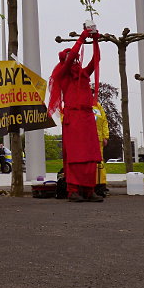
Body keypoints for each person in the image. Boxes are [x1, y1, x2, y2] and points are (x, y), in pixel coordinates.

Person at [49, 28, 103, 203]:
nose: (76, 61)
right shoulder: (62, 75)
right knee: (75, 156)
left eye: (77, 60)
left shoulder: (84, 75)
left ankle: (89, 189)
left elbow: (96, 60)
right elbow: (71, 56)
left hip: (87, 118)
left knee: (90, 155)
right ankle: (73, 190)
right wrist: (82, 37)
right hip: (73, 117)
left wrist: (95, 40)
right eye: (72, 59)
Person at [92, 101, 110, 197]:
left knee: (99, 162)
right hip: (85, 139)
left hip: (98, 139)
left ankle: (100, 185)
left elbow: (104, 121)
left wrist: (105, 136)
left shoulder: (97, 106)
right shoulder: (78, 102)